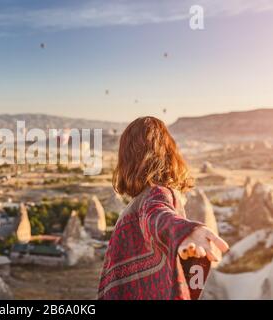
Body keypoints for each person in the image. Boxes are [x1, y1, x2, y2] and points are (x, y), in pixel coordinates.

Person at [98, 117, 229, 300]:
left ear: (127, 157)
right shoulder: (152, 195)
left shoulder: (150, 197)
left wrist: (182, 231)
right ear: (168, 151)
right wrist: (182, 231)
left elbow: (157, 213)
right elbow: (155, 212)